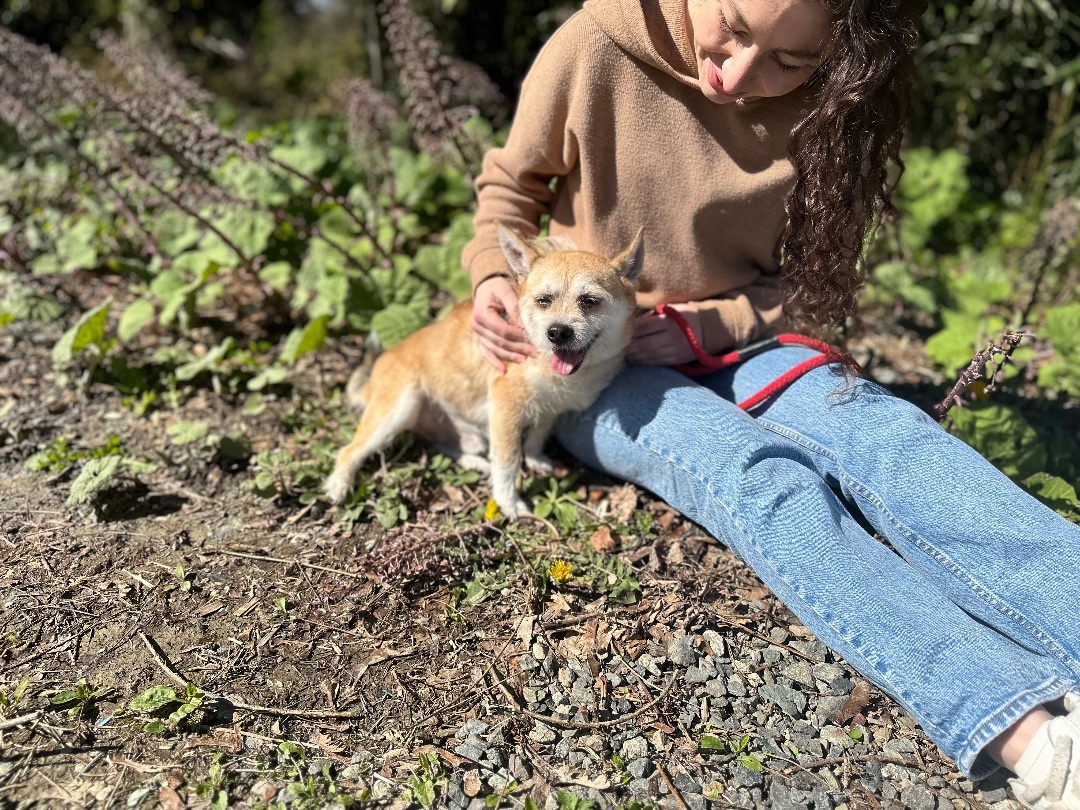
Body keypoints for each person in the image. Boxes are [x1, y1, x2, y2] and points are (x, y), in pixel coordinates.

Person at [459, 0, 1080, 806]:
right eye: (735, 28)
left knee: (889, 441)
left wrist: (705, 326)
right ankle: (1036, 743)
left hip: (746, 342)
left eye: (791, 63)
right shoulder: (590, 48)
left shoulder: (841, 102)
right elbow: (509, 189)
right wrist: (492, 280)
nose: (743, 74)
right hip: (600, 360)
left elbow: (812, 282)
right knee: (758, 478)